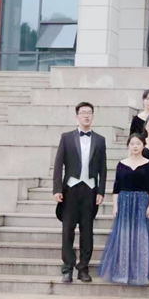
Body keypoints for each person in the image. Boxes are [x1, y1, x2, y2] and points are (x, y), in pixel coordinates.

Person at [53, 102, 107, 284]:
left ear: (93, 116)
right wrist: (57, 189)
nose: (86, 116)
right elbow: (58, 164)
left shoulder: (100, 140)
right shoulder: (66, 137)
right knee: (67, 229)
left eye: (89, 112)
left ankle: (83, 268)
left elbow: (103, 168)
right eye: (83, 113)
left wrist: (101, 191)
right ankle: (67, 267)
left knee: (87, 231)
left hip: (90, 189)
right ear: (77, 116)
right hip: (70, 189)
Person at [99, 133, 149, 286]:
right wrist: (115, 206)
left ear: (143, 146)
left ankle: (139, 272)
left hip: (142, 200)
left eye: (138, 143)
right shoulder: (121, 164)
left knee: (140, 236)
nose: (135, 146)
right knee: (124, 236)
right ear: (128, 146)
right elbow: (116, 187)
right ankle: (122, 271)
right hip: (124, 201)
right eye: (132, 144)